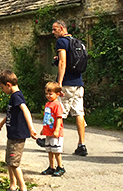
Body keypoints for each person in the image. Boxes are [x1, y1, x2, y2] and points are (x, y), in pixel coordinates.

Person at [0, 70, 37, 191]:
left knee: (14, 163)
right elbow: (10, 113)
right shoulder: (14, 96)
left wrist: (31, 128)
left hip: (17, 135)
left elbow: (26, 111)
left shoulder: (17, 96)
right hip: (12, 134)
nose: (2, 90)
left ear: (8, 84)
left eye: (2, 88)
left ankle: (23, 187)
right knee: (9, 161)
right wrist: (1, 124)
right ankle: (13, 185)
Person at [52, 20, 88, 156]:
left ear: (62, 28)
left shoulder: (61, 42)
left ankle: (55, 141)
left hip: (67, 83)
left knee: (59, 113)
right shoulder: (76, 41)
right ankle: (81, 144)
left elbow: (63, 62)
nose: (53, 32)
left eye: (55, 29)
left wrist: (59, 83)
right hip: (79, 83)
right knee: (79, 113)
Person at [40, 82, 65, 176]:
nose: (48, 96)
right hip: (48, 131)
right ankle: (51, 166)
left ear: (57, 94)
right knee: (49, 150)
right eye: (46, 93)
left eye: (50, 94)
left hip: (55, 132)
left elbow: (59, 118)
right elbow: (47, 117)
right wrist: (44, 128)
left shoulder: (57, 105)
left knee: (56, 151)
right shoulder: (47, 104)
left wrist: (57, 129)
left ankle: (60, 166)